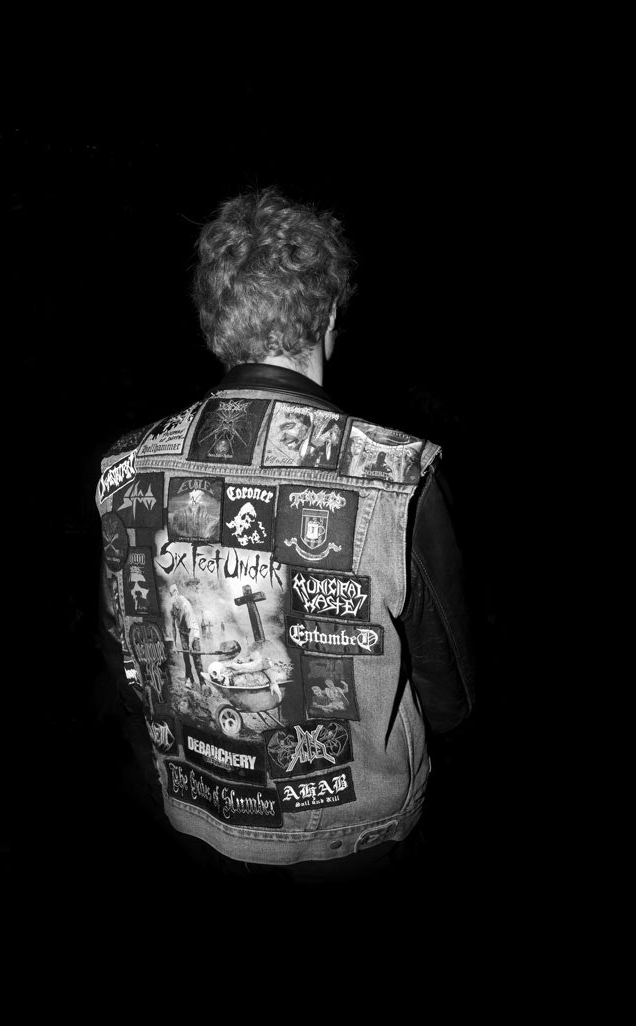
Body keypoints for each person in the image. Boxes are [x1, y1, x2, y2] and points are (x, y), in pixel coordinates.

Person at [96, 187, 474, 887]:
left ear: (216, 326)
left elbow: (124, 654)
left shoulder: (126, 466)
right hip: (358, 844)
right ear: (328, 318)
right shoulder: (397, 474)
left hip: (193, 826)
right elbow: (449, 697)